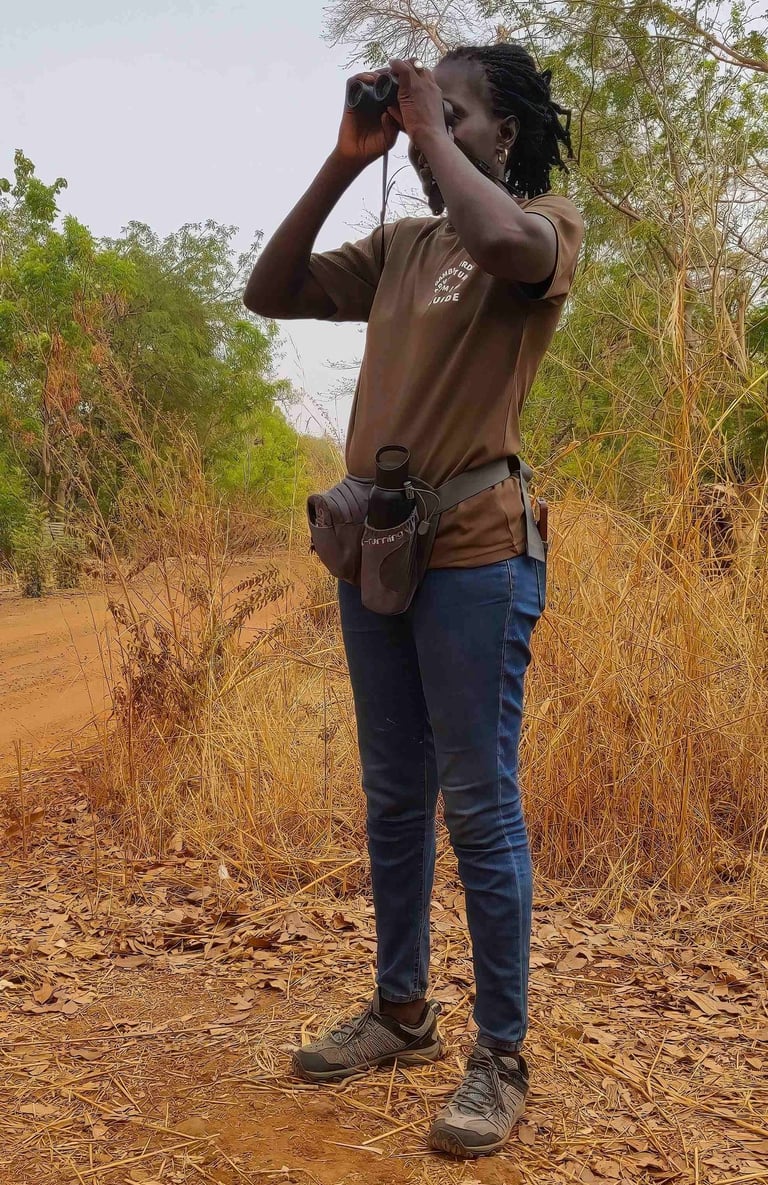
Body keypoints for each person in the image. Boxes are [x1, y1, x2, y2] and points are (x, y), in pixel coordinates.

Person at [244, 42, 584, 1158]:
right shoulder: (402, 247)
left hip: (481, 553)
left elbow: (502, 238)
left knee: (478, 802)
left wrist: (427, 128)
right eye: (429, 104)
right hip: (378, 551)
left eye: (462, 107)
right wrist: (350, 158)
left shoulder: (541, 231)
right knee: (394, 792)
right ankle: (401, 1013)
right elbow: (270, 289)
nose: (434, 117)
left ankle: (501, 1055)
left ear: (507, 135)